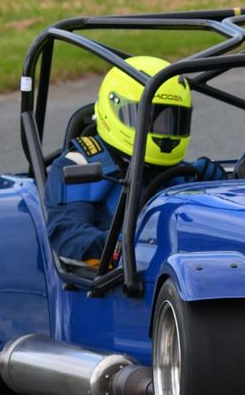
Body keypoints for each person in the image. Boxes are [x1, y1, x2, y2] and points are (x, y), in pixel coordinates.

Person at [45, 56, 220, 263]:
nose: (164, 131)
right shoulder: (79, 166)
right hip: (117, 282)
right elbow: (68, 235)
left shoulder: (188, 173)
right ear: (115, 109)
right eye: (151, 119)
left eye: (172, 120)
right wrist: (122, 246)